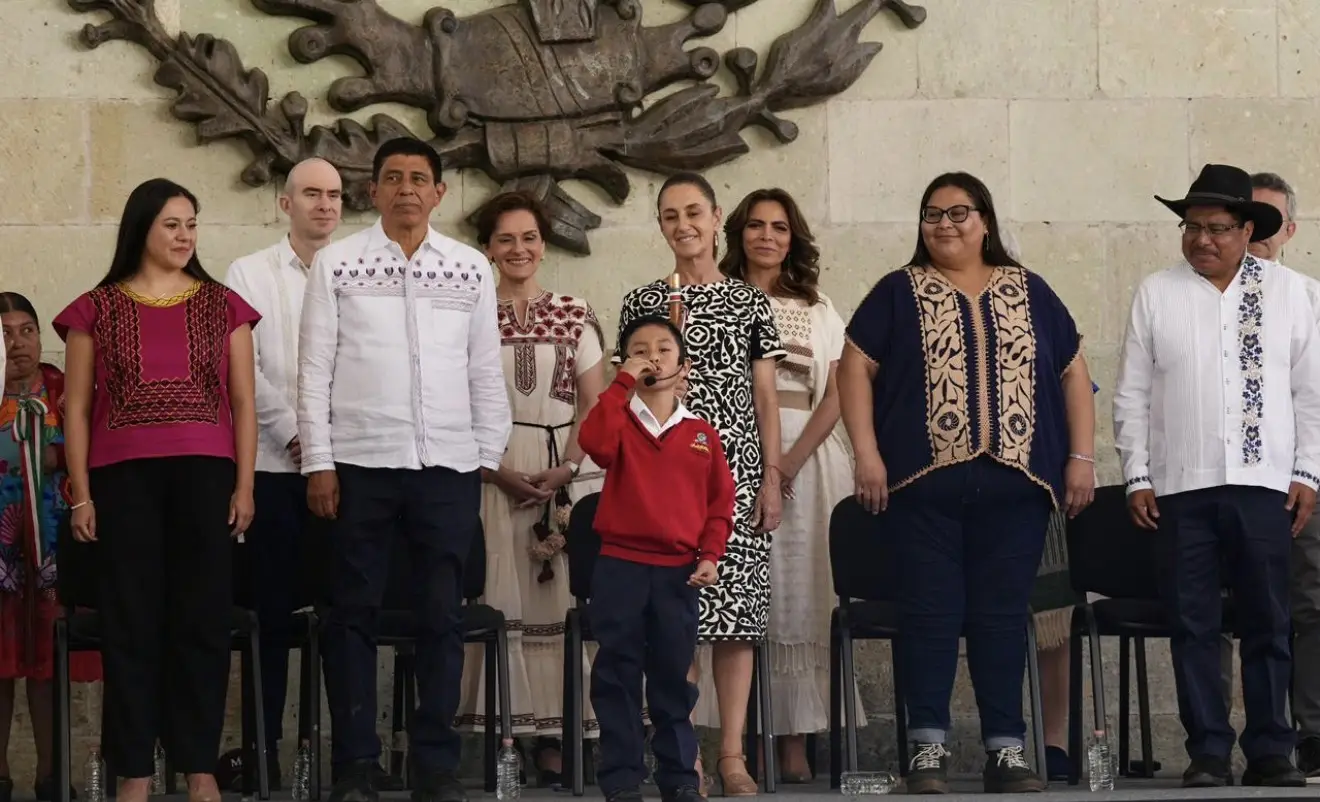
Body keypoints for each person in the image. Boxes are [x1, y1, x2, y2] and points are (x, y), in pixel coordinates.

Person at [838, 172, 1095, 794]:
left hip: (1017, 489)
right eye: (932, 214)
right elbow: (853, 367)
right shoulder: (898, 291)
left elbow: (1072, 372)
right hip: (922, 488)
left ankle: (1005, 751)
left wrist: (1082, 458)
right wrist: (866, 455)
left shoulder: (1030, 290)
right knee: (929, 615)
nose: (945, 224)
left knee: (1002, 619)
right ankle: (926, 752)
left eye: (959, 213)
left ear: (985, 221)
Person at [298, 137, 512, 802]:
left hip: (446, 467)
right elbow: (314, 370)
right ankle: (357, 763)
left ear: (439, 193)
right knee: (352, 613)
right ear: (374, 191)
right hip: (360, 465)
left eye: (420, 178)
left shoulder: (470, 268)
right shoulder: (337, 263)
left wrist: (484, 453)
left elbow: (483, 368)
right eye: (393, 178)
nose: (407, 190)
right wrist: (319, 462)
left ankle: (435, 764)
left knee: (441, 617)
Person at [53, 178, 260, 802]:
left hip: (205, 476)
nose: (184, 236)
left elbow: (245, 404)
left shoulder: (225, 306)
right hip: (123, 482)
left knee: (201, 622)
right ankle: (135, 775)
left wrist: (245, 485)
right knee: (131, 625)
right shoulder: (97, 307)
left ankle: (201, 771)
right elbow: (78, 409)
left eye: (192, 224)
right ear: (142, 227)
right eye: (172, 224)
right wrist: (82, 494)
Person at [1114, 163, 1316, 788]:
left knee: (1268, 620)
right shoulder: (1156, 291)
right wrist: (1136, 474)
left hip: (1265, 486)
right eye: (1192, 227)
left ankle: (1270, 749)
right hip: (1180, 487)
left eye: (1217, 228)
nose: (1202, 239)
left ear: (1246, 229)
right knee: (1194, 621)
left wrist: (1308, 472)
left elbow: (1311, 393)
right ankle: (1206, 750)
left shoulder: (1292, 292)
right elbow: (1132, 394)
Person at [616, 173, 784, 797]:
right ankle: (679, 755)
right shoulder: (641, 302)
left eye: (693, 212)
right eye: (668, 216)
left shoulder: (749, 302)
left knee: (736, 619)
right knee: (674, 619)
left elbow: (764, 395)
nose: (682, 225)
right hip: (663, 477)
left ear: (717, 219)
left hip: (734, 472)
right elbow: (628, 392)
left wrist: (771, 476)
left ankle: (732, 755)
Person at [453, 191, 607, 783]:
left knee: (557, 598)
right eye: (505, 239)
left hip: (560, 463)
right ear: (488, 248)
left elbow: (597, 403)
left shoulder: (574, 310)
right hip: (490, 470)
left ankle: (556, 736)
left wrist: (568, 468)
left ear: (544, 244)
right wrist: (493, 468)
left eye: (529, 238)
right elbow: (453, 401)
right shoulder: (469, 310)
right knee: (500, 596)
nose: (519, 249)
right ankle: (505, 733)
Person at [716, 189, 858, 781]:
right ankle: (737, 741)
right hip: (733, 453)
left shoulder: (818, 305)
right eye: (755, 225)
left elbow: (839, 391)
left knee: (800, 591)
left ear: (792, 237)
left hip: (810, 455)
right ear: (738, 233)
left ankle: (795, 738)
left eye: (778, 227)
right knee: (743, 596)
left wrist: (790, 463)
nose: (767, 236)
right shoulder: (719, 297)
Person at [578, 314, 735, 802]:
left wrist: (710, 555)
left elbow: (720, 506)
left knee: (672, 677)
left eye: (663, 349)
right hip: (620, 567)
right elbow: (594, 445)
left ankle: (680, 778)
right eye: (639, 348)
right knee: (617, 674)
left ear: (683, 365)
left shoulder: (702, 434)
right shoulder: (619, 420)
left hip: (678, 574)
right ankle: (622, 779)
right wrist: (622, 381)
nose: (651, 356)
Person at [223, 158, 344, 786]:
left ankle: (343, 760)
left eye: (334, 195)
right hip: (272, 466)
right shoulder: (249, 272)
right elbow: (245, 373)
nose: (325, 205)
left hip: (344, 472)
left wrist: (328, 444)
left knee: (340, 615)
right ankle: (264, 753)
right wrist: (301, 435)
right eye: (312, 194)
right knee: (270, 619)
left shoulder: (355, 267)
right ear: (283, 203)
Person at [0, 293, 102, 802]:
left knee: (46, 660)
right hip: (1, 550)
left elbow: (91, 442)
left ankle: (50, 777)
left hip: (54, 546)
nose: (17, 343)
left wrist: (53, 452)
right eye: (4, 334)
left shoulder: (61, 388)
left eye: (26, 330)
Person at [1248, 171, 1320, 778]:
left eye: (1270, 223)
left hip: (1301, 483)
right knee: (1224, 613)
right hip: (1231, 485)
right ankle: (1225, 742)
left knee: (1310, 605)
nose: (1257, 234)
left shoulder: (1308, 296)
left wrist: (1308, 471)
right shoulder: (1199, 296)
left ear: (1289, 230)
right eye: (1249, 220)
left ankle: (1314, 733)